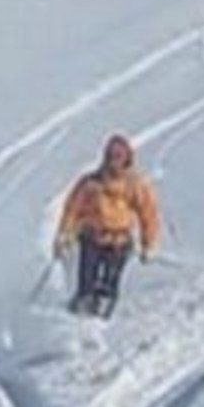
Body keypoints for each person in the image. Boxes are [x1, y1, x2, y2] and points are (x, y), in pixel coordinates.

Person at [53, 134, 160, 317]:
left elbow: (148, 214)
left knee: (108, 288)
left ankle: (102, 322)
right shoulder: (91, 184)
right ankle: (78, 315)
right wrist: (64, 234)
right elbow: (72, 209)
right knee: (86, 285)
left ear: (127, 159)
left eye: (118, 157)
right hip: (92, 238)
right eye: (111, 156)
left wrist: (148, 244)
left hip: (119, 241)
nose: (113, 162)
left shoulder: (133, 185)